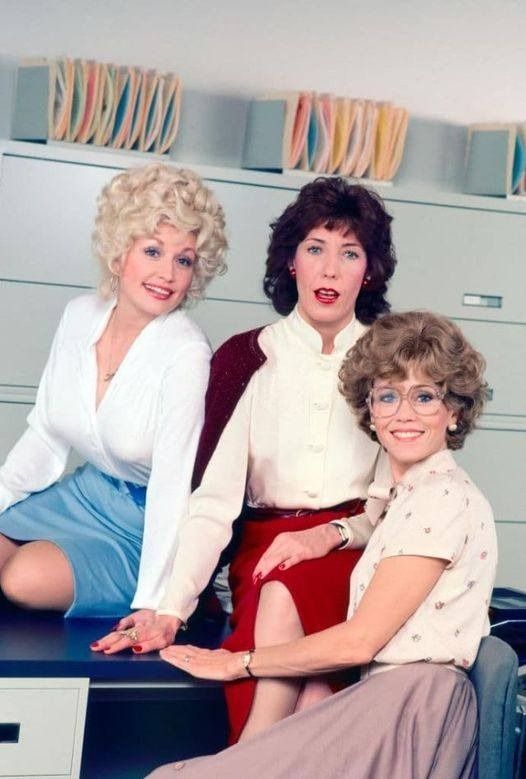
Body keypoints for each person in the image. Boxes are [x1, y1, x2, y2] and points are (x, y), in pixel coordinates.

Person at [94, 177, 397, 744]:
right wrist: (170, 608)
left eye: (349, 253)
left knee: (298, 638)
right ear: (290, 263)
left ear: (369, 271)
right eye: (315, 249)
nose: (330, 270)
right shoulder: (247, 356)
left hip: (358, 552)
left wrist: (330, 534)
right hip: (262, 555)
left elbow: (398, 500)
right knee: (307, 678)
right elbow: (212, 504)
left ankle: (247, 756)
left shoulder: (390, 362)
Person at [150, 310, 497, 778]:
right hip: (386, 698)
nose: (404, 414)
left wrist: (240, 663)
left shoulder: (442, 498)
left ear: (453, 411)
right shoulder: (405, 496)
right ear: (370, 412)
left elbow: (358, 643)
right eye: (388, 396)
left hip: (412, 709)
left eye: (425, 397)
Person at [0, 163, 227, 618]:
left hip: (142, 528)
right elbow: (46, 433)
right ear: (119, 253)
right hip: (83, 494)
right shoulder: (79, 315)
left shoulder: (186, 352)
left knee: (20, 579)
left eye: (183, 259)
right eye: (152, 251)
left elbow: (172, 484)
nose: (167, 273)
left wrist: (156, 603)